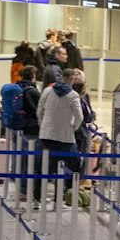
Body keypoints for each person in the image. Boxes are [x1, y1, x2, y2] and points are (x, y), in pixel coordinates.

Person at [36, 70, 82, 203]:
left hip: (46, 135)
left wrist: (43, 124)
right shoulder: (73, 95)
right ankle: (64, 196)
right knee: (71, 166)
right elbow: (80, 116)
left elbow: (39, 110)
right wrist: (72, 128)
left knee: (41, 167)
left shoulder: (47, 91)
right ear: (72, 79)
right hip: (65, 137)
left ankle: (38, 197)